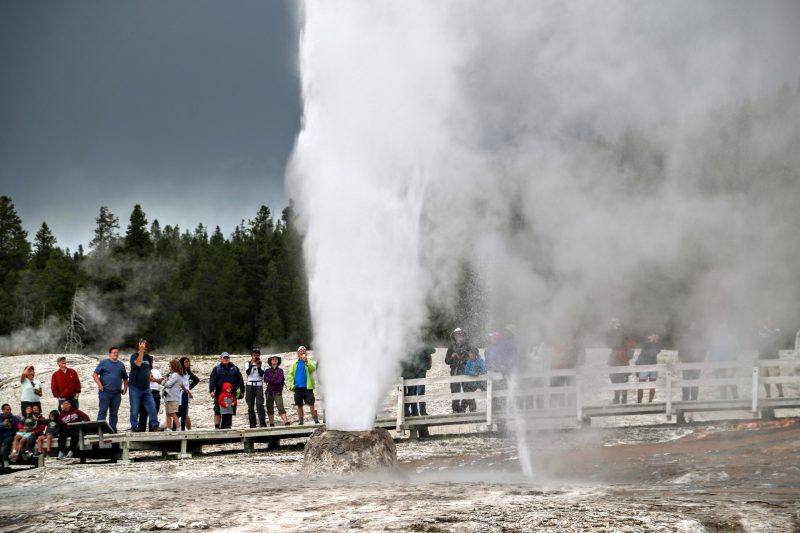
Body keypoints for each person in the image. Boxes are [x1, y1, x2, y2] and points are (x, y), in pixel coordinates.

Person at [128, 339, 161, 432]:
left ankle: (155, 426)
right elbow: (138, 364)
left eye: (145, 344)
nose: (144, 346)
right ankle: (134, 426)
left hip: (146, 387)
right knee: (135, 408)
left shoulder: (149, 358)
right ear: (138, 346)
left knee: (152, 406)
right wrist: (141, 351)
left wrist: (150, 376)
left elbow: (149, 370)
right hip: (135, 386)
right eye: (142, 344)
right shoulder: (134, 356)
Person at [93, 346, 129, 432]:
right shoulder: (104, 363)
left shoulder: (121, 365)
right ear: (110, 354)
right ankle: (100, 430)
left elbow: (125, 378)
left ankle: (112, 430)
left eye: (117, 352)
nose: (116, 354)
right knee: (103, 411)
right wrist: (99, 385)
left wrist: (125, 388)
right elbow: (95, 374)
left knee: (114, 413)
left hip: (117, 393)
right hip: (105, 392)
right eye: (114, 352)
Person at [209, 352, 244, 429]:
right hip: (219, 393)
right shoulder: (216, 369)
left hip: (232, 393)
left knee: (229, 411)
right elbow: (212, 380)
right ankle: (217, 427)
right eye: (224, 358)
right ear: (221, 359)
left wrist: (242, 391)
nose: (226, 359)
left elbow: (240, 380)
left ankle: (227, 427)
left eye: (227, 358)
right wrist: (211, 391)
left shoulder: (235, 368)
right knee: (217, 411)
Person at [606, 319, 636, 405]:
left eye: (616, 323)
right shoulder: (611, 334)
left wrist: (626, 355)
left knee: (623, 380)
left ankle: (623, 399)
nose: (614, 325)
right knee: (614, 379)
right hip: (614, 360)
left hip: (622, 360)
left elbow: (632, 345)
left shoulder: (624, 334)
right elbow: (609, 342)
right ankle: (616, 398)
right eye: (613, 323)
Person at [707, 323, 739, 400]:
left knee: (730, 379)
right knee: (721, 381)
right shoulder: (715, 339)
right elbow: (711, 351)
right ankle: (723, 397)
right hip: (718, 364)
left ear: (727, 330)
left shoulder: (732, 338)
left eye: (724, 329)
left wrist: (734, 359)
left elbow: (737, 350)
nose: (723, 331)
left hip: (730, 363)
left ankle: (735, 396)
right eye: (721, 329)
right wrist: (711, 359)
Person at [288, 346, 319, 425]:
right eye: (300, 351)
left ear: (306, 353)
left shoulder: (310, 361)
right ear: (298, 353)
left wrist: (306, 362)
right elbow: (291, 375)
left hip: (307, 387)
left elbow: (312, 369)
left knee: (311, 404)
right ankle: (301, 421)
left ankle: (316, 420)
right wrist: (292, 385)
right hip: (297, 388)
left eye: (303, 351)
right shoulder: (295, 364)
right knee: (299, 405)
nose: (302, 352)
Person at [675, 321, 705, 401]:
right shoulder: (685, 337)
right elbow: (680, 350)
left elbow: (703, 350)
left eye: (694, 326)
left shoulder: (699, 338)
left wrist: (700, 360)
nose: (693, 327)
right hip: (686, 363)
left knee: (695, 382)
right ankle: (685, 398)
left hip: (696, 364)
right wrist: (682, 359)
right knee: (685, 382)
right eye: (691, 326)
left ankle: (694, 399)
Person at [401, 346, 435, 417]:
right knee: (412, 393)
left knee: (420, 392)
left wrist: (423, 345)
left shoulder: (423, 342)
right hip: (411, 372)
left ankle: (422, 412)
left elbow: (433, 350)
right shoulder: (409, 344)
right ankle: (414, 412)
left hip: (421, 372)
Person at [444, 328, 472, 413]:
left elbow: (474, 357)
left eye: (461, 334)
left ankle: (469, 408)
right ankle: (456, 410)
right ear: (454, 336)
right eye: (457, 334)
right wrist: (452, 356)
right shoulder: (451, 347)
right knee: (455, 391)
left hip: (466, 371)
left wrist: (464, 358)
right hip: (455, 372)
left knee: (468, 390)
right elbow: (446, 361)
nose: (459, 335)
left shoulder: (468, 346)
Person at [757, 320, 784, 399]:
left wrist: (767, 331)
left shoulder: (776, 331)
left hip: (773, 358)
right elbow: (758, 339)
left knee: (776, 377)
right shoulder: (761, 332)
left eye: (771, 322)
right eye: (767, 322)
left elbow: (776, 339)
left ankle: (781, 393)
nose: (769, 323)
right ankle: (768, 394)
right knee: (765, 377)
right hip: (762, 357)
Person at [264, 355, 290, 427]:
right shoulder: (267, 371)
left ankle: (286, 422)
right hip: (269, 392)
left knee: (280, 407)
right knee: (269, 407)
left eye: (276, 359)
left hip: (277, 392)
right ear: (270, 361)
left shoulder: (280, 370)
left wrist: (271, 380)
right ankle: (271, 423)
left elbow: (279, 381)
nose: (274, 360)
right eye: (273, 359)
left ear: (278, 361)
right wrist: (274, 379)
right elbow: (265, 379)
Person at [635, 334, 661, 403]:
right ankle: (639, 402)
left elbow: (658, 350)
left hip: (653, 366)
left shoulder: (656, 345)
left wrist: (655, 342)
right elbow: (642, 352)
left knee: (652, 385)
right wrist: (650, 342)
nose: (654, 338)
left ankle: (650, 401)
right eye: (653, 337)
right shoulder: (646, 343)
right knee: (641, 385)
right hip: (644, 366)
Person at [161, 359, 186, 432]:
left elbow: (168, 384)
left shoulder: (175, 375)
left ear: (173, 366)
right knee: (168, 413)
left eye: (170, 366)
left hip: (172, 397)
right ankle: (168, 428)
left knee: (173, 413)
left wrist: (163, 381)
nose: (169, 367)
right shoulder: (177, 375)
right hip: (170, 397)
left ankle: (178, 428)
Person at [244, 349, 267, 428]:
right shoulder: (247, 363)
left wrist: (258, 366)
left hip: (258, 384)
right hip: (250, 384)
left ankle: (262, 423)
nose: (256, 357)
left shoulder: (263, 364)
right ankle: (252, 424)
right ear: (251, 356)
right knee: (250, 405)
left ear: (259, 356)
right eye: (254, 355)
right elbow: (248, 372)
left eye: (257, 355)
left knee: (259, 404)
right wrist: (251, 364)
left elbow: (261, 374)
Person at [138, 364, 163, 432]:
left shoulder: (156, 370)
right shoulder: (141, 370)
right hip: (145, 393)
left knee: (154, 413)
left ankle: (152, 430)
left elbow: (161, 380)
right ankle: (141, 431)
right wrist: (155, 379)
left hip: (156, 394)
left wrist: (154, 379)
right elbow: (146, 379)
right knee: (143, 414)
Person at [177, 357, 199, 431]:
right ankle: (178, 429)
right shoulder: (179, 372)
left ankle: (188, 430)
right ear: (182, 363)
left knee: (185, 413)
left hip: (185, 394)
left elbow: (196, 380)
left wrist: (188, 389)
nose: (188, 363)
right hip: (179, 394)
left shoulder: (187, 372)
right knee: (179, 413)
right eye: (186, 362)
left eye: (189, 361)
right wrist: (187, 390)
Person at [462, 347, 487, 413]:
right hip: (472, 383)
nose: (469, 355)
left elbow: (484, 371)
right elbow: (466, 371)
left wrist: (478, 373)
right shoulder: (469, 361)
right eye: (469, 353)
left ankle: (493, 407)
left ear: (475, 354)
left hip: (481, 382)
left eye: (471, 353)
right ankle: (469, 409)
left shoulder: (481, 361)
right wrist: (473, 373)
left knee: (489, 392)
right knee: (468, 393)